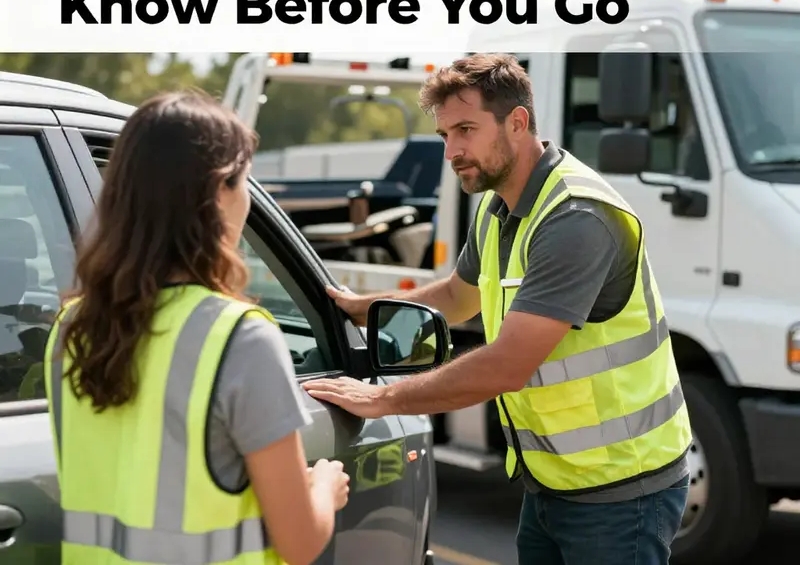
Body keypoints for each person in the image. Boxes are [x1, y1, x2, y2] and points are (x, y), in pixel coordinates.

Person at [303, 53, 692, 565]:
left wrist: (385, 399)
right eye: (445, 135)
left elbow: (508, 364)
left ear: (518, 122)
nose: (452, 151)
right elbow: (456, 297)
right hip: (553, 480)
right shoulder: (498, 205)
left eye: (466, 129)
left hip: (621, 487)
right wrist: (359, 308)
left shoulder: (576, 218)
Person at [43, 90, 349, 565]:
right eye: (245, 179)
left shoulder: (73, 325)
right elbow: (300, 542)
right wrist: (325, 488)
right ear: (220, 191)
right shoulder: (241, 338)